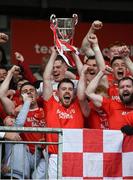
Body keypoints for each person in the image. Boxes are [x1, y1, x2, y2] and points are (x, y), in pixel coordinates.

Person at [43, 47, 89, 178]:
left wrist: (75, 55)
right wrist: (53, 54)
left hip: (76, 155)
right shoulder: (50, 104)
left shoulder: (78, 104)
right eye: (63, 89)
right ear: (57, 92)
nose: (67, 91)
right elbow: (46, 78)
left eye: (70, 89)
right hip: (55, 156)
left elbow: (83, 77)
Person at [85, 65, 133, 130]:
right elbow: (89, 93)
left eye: (128, 86)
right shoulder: (111, 105)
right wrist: (101, 73)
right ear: (118, 91)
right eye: (122, 87)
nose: (125, 89)